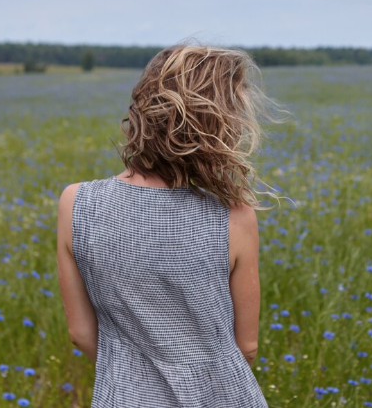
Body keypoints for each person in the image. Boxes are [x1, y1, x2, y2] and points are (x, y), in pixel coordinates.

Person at [56, 43, 289, 407]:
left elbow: (81, 334)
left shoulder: (76, 203)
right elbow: (247, 347)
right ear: (217, 126)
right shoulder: (234, 217)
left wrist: (132, 380)